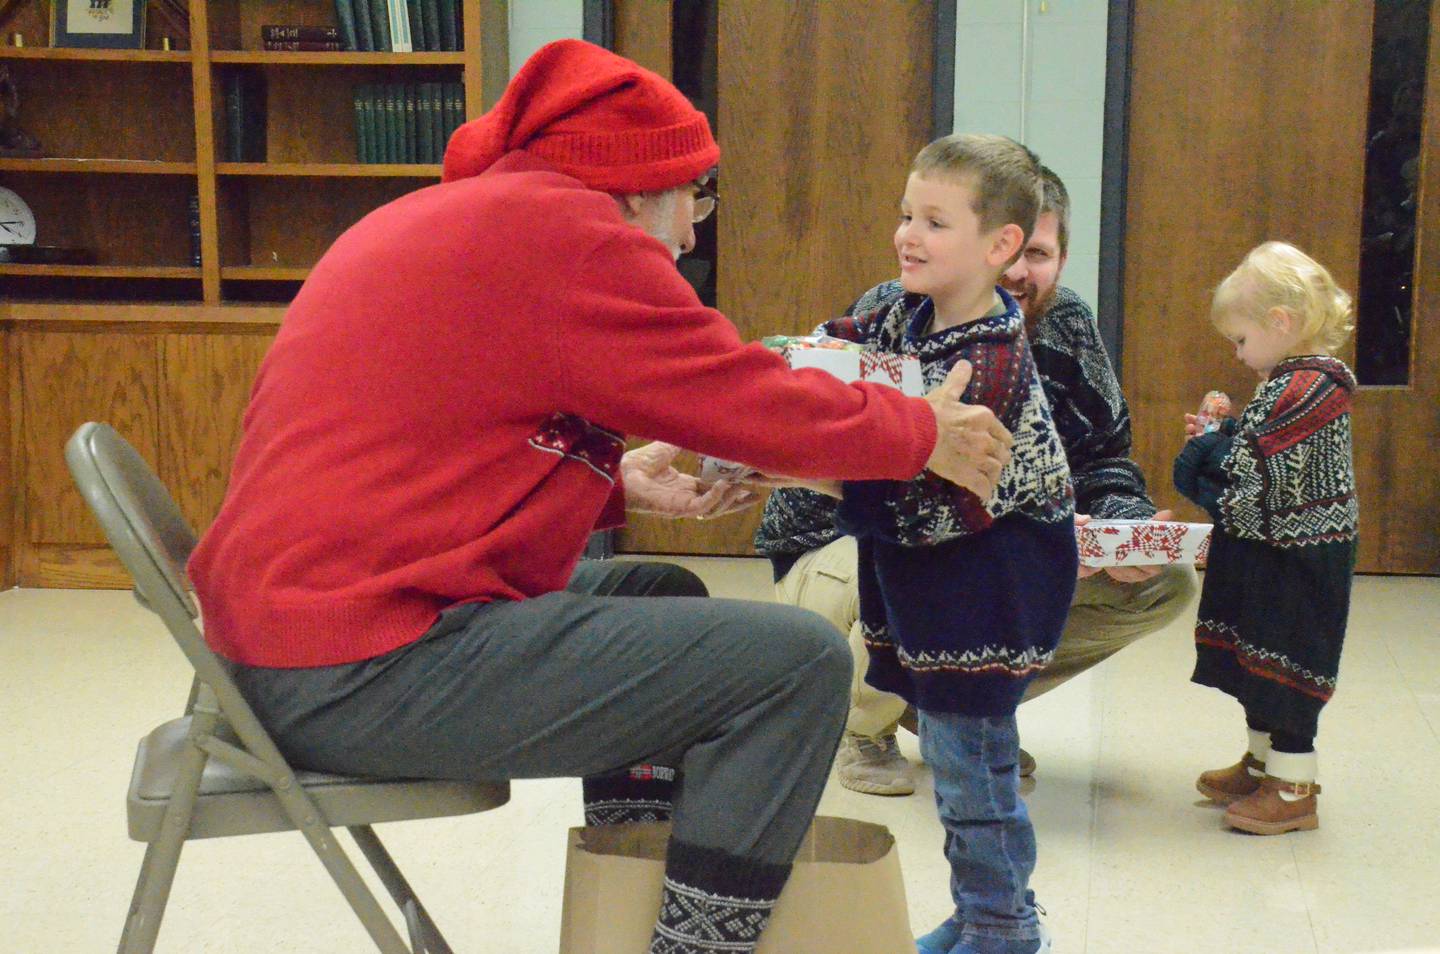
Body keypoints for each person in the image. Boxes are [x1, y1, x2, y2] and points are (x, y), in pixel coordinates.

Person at [186, 40, 1015, 954]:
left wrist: (613, 478)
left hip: (286, 642)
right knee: (801, 664)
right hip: (349, 672)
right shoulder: (568, 239)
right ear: (635, 185)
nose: (692, 233)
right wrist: (918, 432)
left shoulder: (475, 217)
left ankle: (629, 898)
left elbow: (425, 434)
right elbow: (738, 398)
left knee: (660, 594)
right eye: (694, 193)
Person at [755, 166, 1196, 796]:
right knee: (933, 558)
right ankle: (863, 724)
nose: (1016, 271)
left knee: (1165, 585)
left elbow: (1104, 456)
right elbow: (828, 439)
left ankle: (951, 708)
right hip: (840, 539)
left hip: (969, 540)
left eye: (1036, 253)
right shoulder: (894, 312)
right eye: (1005, 250)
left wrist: (1117, 530)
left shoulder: (1067, 323)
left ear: (1062, 258)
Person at [760, 133, 1071, 954]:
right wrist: (778, 366)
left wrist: (803, 472)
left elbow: (933, 509)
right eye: (906, 215)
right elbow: (833, 346)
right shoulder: (905, 313)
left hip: (989, 595)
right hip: (928, 590)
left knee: (975, 779)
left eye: (935, 222)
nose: (908, 236)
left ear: (1001, 245)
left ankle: (1004, 927)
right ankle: (977, 914)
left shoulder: (991, 365)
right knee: (950, 756)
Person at [1173, 241, 1358, 835]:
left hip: (1298, 557)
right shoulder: (1288, 385)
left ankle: (1294, 786)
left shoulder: (1310, 390)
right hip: (1269, 550)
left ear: (1280, 323)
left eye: (1241, 339)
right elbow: (1255, 453)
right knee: (1254, 654)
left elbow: (1256, 469)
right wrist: (1222, 435)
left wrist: (1209, 448)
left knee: (1289, 660)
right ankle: (1261, 764)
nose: (1238, 352)